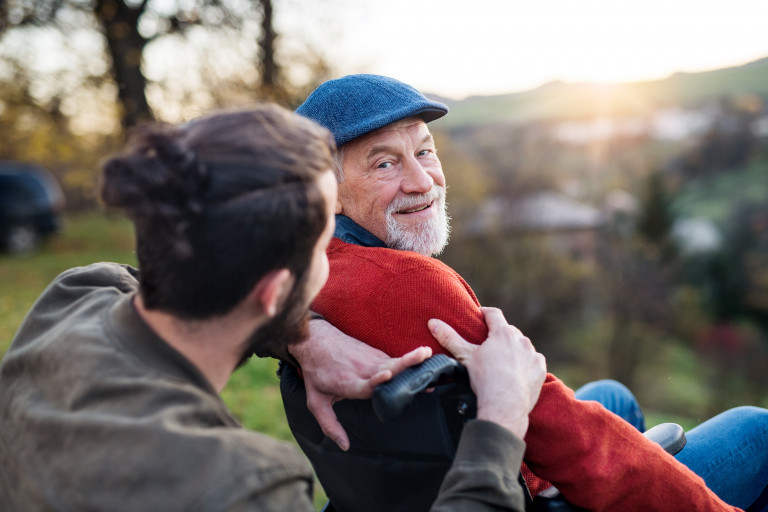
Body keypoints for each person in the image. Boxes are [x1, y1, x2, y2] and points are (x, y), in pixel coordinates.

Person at [0, 104, 548, 511]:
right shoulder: (241, 487)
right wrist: (500, 421)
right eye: (320, 248)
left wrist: (303, 335)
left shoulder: (75, 296)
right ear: (271, 289)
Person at [284, 74, 768, 512]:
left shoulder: (297, 273)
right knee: (756, 429)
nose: (422, 180)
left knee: (611, 395)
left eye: (425, 151)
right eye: (385, 163)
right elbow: (572, 440)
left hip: (421, 484)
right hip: (505, 494)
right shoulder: (407, 284)